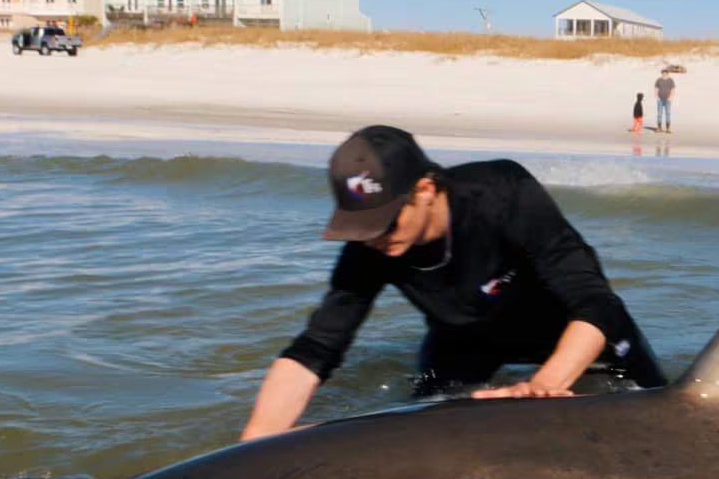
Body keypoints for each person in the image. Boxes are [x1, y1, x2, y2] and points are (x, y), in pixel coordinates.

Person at [239, 125, 667, 441]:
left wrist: (543, 385)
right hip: (466, 338)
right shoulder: (370, 245)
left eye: (385, 223)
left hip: (574, 333)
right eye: (362, 227)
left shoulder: (503, 193)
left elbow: (594, 301)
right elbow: (318, 346)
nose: (375, 239)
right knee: (425, 430)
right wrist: (257, 439)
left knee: (662, 418)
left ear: (425, 189)